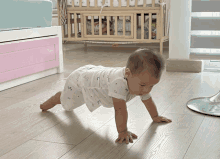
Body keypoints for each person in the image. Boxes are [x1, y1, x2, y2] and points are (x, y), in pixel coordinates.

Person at [40, 48, 172, 144]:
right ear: (127, 73)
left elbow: (147, 99)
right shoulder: (119, 83)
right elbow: (120, 109)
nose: (146, 90)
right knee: (68, 105)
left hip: (93, 73)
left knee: (70, 106)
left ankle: (62, 97)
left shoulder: (140, 82)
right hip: (80, 82)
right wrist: (122, 132)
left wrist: (155, 116)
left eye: (151, 86)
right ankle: (58, 97)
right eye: (143, 85)